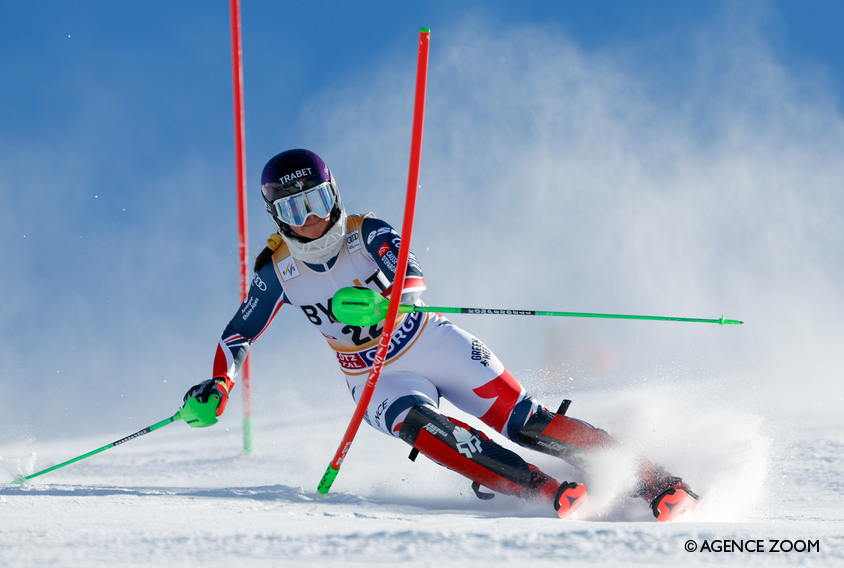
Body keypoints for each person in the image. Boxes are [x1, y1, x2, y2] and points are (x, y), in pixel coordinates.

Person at [180, 149, 698, 521]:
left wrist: (385, 300)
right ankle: (539, 490)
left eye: (317, 201)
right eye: (296, 210)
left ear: (334, 194)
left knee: (524, 421)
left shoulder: (366, 230)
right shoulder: (278, 268)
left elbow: (413, 277)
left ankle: (654, 479)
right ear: (277, 215)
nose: (313, 220)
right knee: (421, 426)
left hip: (429, 340)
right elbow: (238, 334)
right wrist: (220, 385)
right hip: (371, 375)